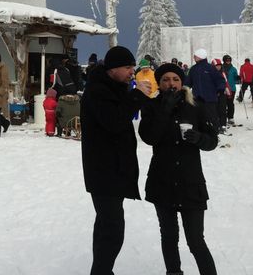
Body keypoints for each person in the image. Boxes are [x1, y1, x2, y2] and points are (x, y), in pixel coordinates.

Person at [139, 63, 219, 275]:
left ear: (182, 82)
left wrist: (200, 138)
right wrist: (165, 109)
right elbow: (149, 137)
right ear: (160, 83)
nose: (171, 83)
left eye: (175, 79)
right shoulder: (151, 106)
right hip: (162, 181)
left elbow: (213, 141)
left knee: (195, 239)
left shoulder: (195, 106)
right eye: (165, 79)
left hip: (190, 182)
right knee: (169, 236)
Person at [80, 45, 152, 275]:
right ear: (112, 69)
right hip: (103, 170)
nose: (133, 71)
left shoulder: (114, 86)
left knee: (105, 225)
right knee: (112, 228)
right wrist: (137, 95)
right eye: (128, 67)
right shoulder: (98, 90)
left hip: (113, 169)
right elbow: (114, 121)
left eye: (133, 66)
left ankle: (101, 270)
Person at [186, 49, 225, 132]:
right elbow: (188, 82)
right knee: (198, 117)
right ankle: (201, 133)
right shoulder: (193, 69)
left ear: (200, 56)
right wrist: (184, 89)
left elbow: (220, 80)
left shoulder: (210, 68)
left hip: (210, 98)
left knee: (212, 117)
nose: (194, 57)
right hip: (197, 98)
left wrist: (220, 90)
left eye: (195, 56)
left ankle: (215, 133)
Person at [221, 55, 238, 125]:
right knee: (223, 104)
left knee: (230, 103)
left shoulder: (233, 69)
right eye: (227, 60)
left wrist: (238, 78)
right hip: (223, 88)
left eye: (229, 60)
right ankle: (223, 118)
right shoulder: (221, 68)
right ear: (224, 60)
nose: (228, 61)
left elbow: (236, 78)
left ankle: (230, 117)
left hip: (232, 89)